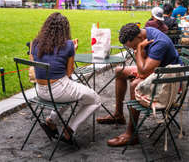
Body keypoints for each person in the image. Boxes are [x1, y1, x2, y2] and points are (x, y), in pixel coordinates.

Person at [97, 24, 181, 147]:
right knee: (119, 71)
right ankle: (118, 115)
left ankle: (132, 134)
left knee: (135, 84)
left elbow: (143, 71)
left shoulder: (159, 43)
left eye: (134, 46)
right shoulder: (146, 32)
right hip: (157, 71)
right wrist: (140, 54)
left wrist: (139, 50)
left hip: (169, 80)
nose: (134, 49)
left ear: (139, 36)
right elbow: (144, 67)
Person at [32, 12, 101, 142]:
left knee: (71, 93)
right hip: (59, 90)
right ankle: (70, 129)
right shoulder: (68, 45)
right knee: (96, 100)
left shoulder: (35, 43)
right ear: (65, 29)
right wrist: (73, 49)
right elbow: (69, 73)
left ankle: (51, 120)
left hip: (40, 91)